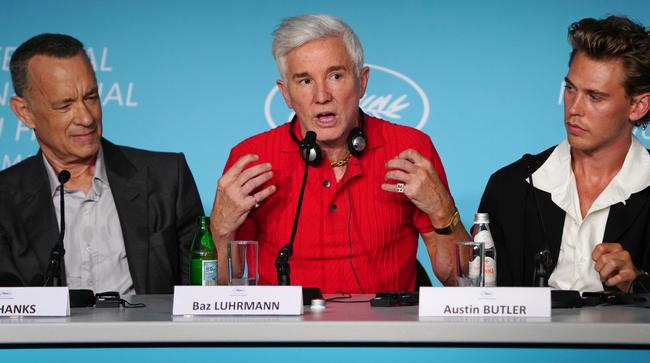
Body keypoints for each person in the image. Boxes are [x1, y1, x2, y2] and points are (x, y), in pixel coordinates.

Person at [210, 14, 469, 293]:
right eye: (305, 81)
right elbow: (222, 291)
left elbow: (459, 281)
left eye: (335, 76)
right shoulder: (252, 158)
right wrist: (222, 230)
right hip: (286, 333)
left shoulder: (409, 148)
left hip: (385, 332)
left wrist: (443, 212)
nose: (322, 95)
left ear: (362, 81)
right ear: (286, 94)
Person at [0, 34, 204, 295]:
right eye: (65, 105)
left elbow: (200, 295)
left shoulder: (165, 178)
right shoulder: (4, 199)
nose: (85, 117)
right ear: (24, 112)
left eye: (91, 97)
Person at [479, 16, 650, 293]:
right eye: (570, 89)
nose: (574, 108)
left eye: (595, 97)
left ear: (638, 106)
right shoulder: (509, 187)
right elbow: (483, 300)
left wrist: (638, 282)